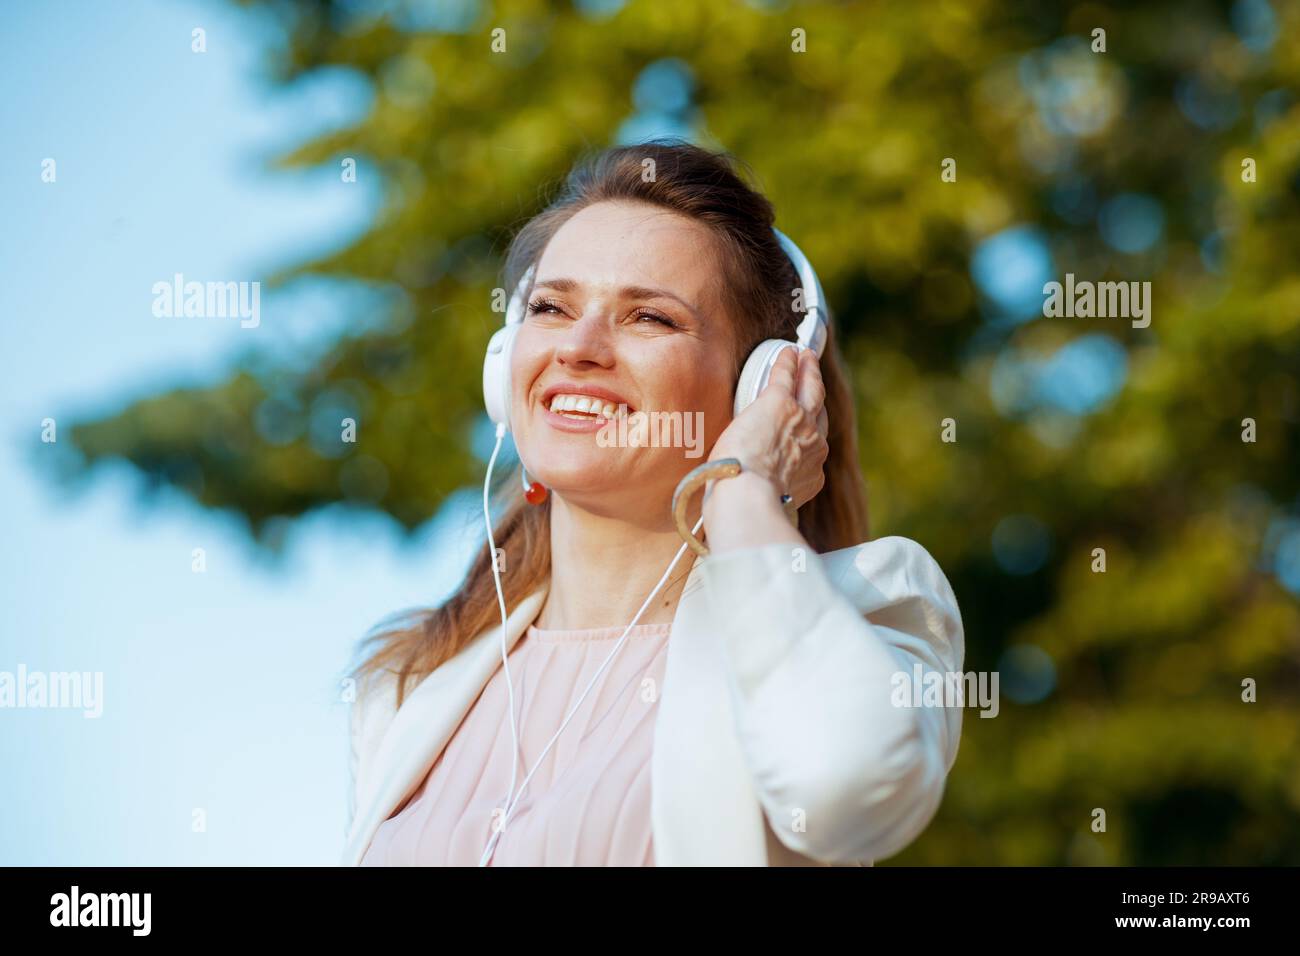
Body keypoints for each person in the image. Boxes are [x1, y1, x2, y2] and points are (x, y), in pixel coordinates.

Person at [341, 139, 965, 867]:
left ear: (758, 384)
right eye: (550, 306)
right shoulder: (409, 680)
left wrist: (743, 493)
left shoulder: (870, 603)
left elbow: (849, 790)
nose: (578, 347)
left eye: (650, 319)